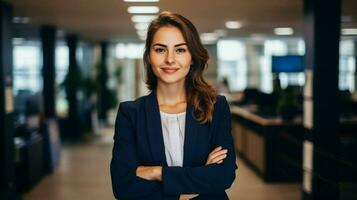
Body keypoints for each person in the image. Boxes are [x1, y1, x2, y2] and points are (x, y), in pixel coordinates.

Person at [110, 11, 237, 200]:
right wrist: (190, 187)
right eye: (160, 49)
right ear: (148, 57)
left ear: (192, 57)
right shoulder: (130, 114)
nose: (170, 59)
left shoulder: (216, 107)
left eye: (180, 50)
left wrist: (157, 172)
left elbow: (223, 175)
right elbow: (123, 186)